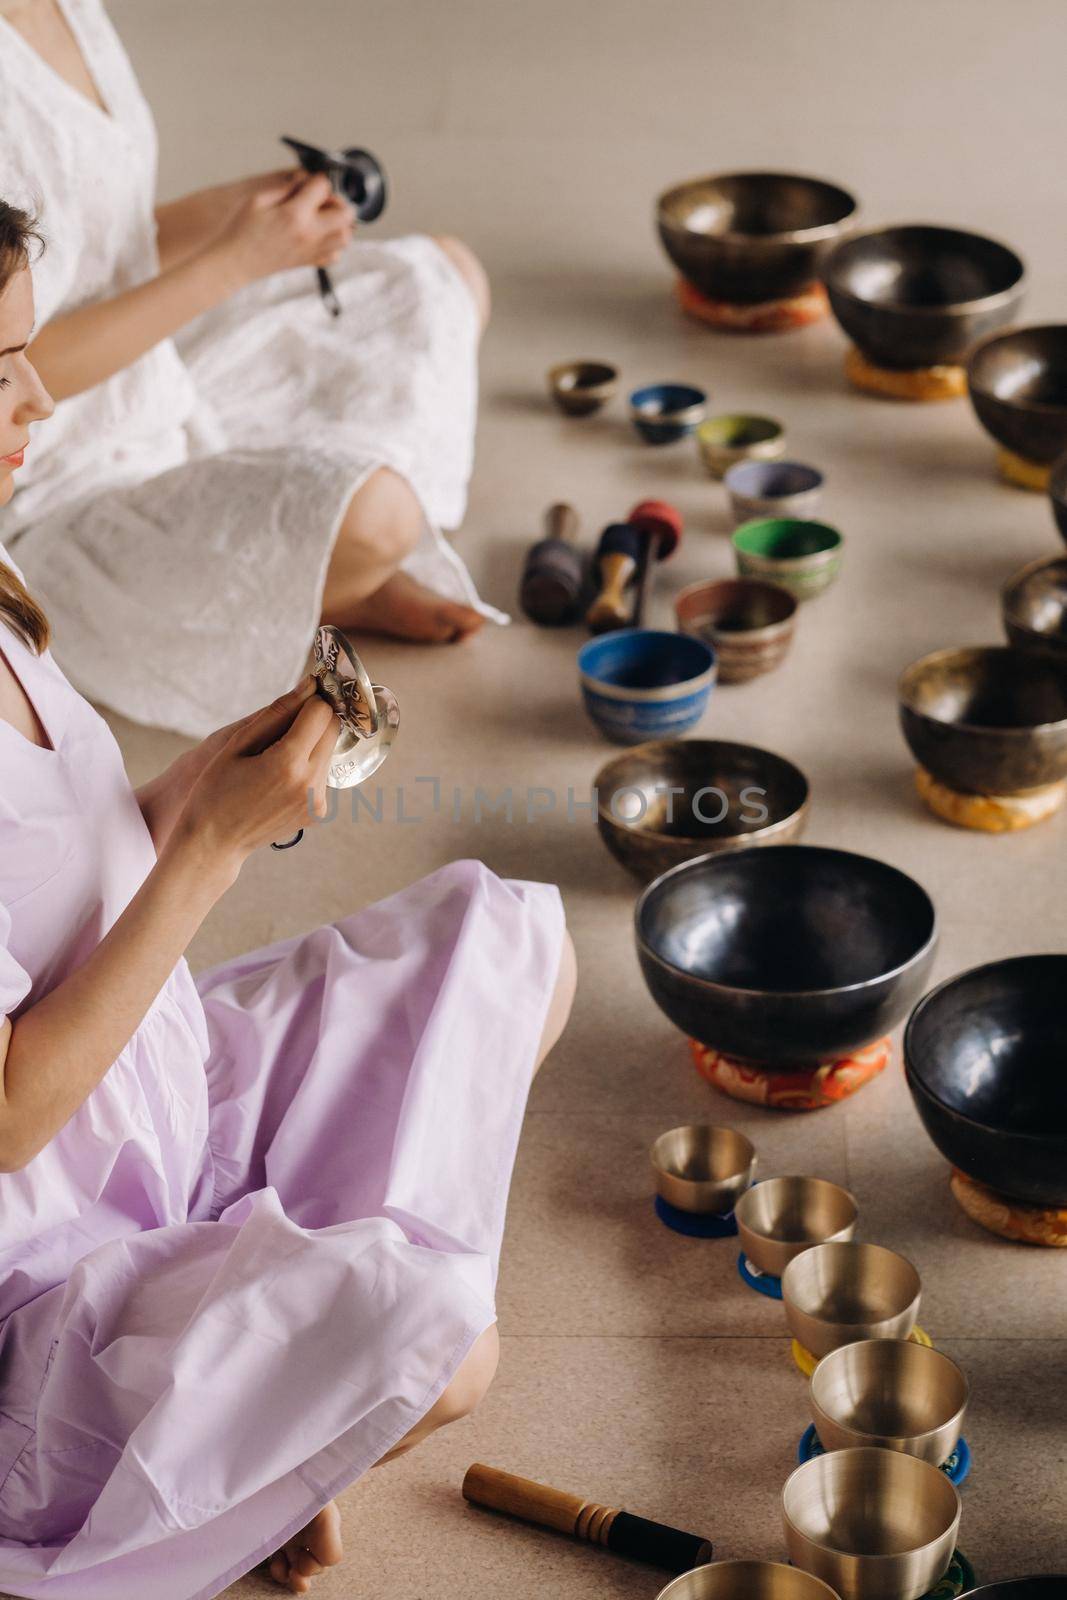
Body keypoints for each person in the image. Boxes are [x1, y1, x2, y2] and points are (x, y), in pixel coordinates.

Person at [0, 203, 576, 1599]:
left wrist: (194, 796)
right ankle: (216, 1451)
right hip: (49, 1291)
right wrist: (205, 854)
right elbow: (10, 1108)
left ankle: (258, 1440)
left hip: (155, 1100)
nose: (36, 395)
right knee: (438, 1330)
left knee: (505, 939)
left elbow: (57, 861)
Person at [0, 0, 503, 739]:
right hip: (51, 485)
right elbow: (18, 368)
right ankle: (311, 581)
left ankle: (301, 571)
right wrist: (240, 261)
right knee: (379, 514)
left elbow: (102, 240)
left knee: (439, 279)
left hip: (160, 383)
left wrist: (247, 211)